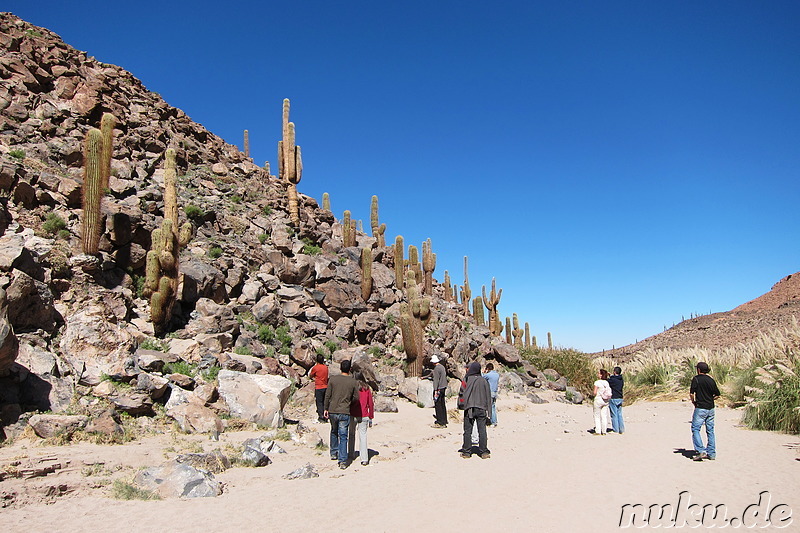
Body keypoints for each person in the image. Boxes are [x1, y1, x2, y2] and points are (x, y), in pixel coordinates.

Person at [324, 359, 359, 469]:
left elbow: (327, 395)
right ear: (350, 369)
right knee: (343, 436)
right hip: (344, 410)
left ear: (340, 368)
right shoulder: (353, 382)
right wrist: (349, 402)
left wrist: (325, 408)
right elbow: (356, 398)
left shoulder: (333, 379)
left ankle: (334, 452)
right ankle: (343, 460)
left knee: (334, 431)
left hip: (333, 410)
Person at [459, 361, 492, 459]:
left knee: (467, 430)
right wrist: (489, 411)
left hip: (469, 408)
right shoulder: (483, 381)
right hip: (481, 408)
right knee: (482, 430)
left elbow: (461, 393)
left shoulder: (467, 379)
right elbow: (488, 396)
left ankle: (466, 452)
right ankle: (484, 452)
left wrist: (461, 406)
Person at [690, 361, 720, 461]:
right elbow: (717, 395)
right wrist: (711, 399)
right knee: (710, 430)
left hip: (700, 408)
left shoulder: (696, 379)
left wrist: (694, 402)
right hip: (711, 408)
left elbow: (691, 393)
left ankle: (701, 451)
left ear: (698, 370)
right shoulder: (711, 380)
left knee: (695, 429)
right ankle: (711, 453)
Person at [348, 371, 375, 466]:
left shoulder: (352, 388)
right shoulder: (367, 388)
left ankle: (351, 453)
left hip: (353, 414)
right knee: (363, 436)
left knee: (351, 434)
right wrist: (371, 416)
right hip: (364, 415)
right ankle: (364, 458)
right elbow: (370, 403)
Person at [309, 354, 329, 423]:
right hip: (325, 386)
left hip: (319, 386)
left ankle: (321, 417)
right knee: (324, 402)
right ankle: (326, 415)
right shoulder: (326, 367)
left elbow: (311, 375)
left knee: (319, 402)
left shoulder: (316, 367)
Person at [431, 354, 448, 428]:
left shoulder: (436, 369)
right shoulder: (442, 367)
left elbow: (436, 380)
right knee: (442, 404)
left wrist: (435, 390)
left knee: (438, 405)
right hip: (443, 387)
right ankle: (444, 419)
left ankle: (440, 422)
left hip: (439, 388)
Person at [593, 369, 611, 435]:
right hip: (606, 400)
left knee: (597, 416)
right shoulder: (607, 383)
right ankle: (604, 431)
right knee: (604, 416)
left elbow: (594, 392)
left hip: (598, 399)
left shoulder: (597, 382)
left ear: (601, 375)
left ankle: (598, 431)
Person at [607, 366, 625, 434]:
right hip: (620, 398)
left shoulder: (612, 380)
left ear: (614, 372)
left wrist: (609, 376)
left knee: (614, 415)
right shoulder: (621, 379)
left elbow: (608, 381)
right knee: (619, 414)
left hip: (614, 398)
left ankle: (616, 430)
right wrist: (611, 376)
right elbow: (615, 379)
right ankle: (621, 429)